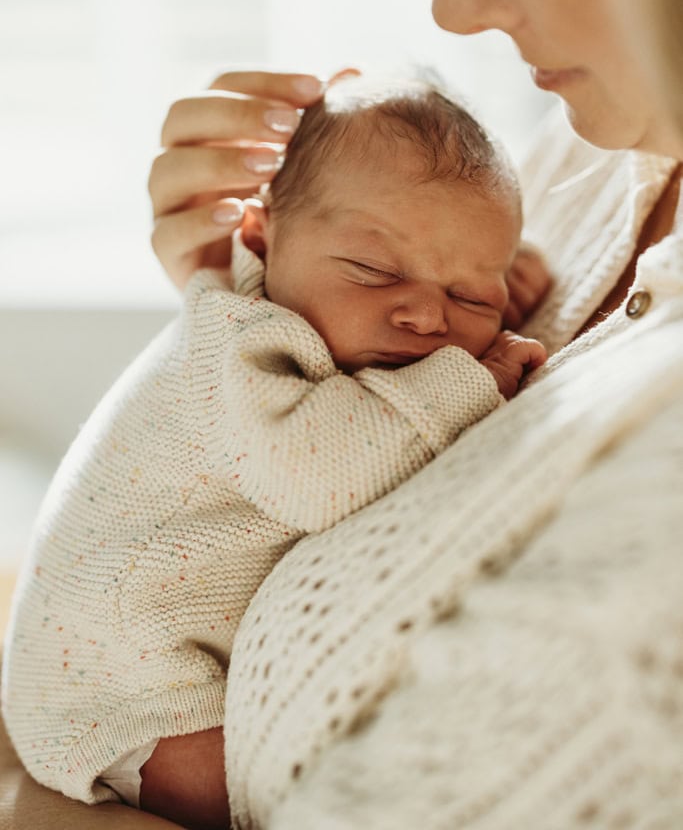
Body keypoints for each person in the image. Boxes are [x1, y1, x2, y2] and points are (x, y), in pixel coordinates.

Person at [1, 0, 681, 827]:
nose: (455, 3)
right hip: (119, 702)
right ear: (262, 233)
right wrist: (252, 295)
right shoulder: (604, 144)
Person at [0, 75, 547, 829]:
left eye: (472, 298)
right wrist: (464, 380)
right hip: (127, 697)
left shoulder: (318, 309)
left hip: (120, 682)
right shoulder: (242, 343)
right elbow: (321, 476)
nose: (425, 315)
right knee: (275, 804)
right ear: (259, 238)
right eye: (374, 271)